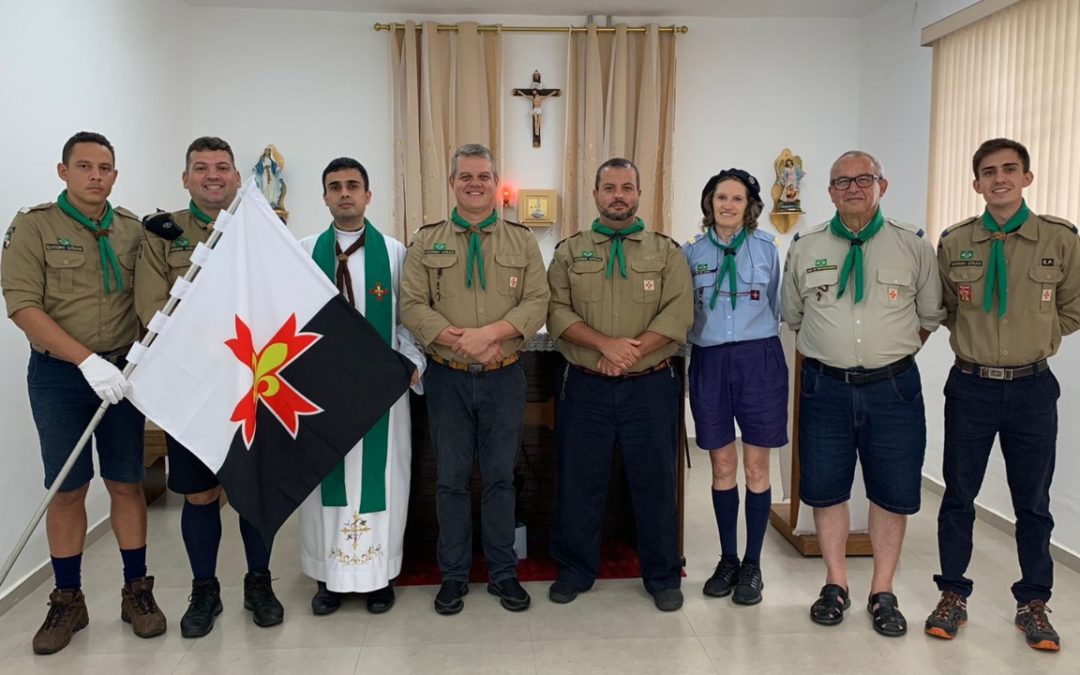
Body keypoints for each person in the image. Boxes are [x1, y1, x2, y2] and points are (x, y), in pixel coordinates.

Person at [1, 131, 167, 654]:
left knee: (127, 482)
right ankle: (68, 599)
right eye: (85, 166)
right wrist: (84, 360)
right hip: (59, 376)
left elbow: (155, 292)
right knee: (67, 488)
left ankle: (136, 591)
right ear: (63, 171)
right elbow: (21, 305)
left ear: (115, 174)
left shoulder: (133, 230)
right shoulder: (35, 226)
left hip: (121, 376)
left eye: (105, 168)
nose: (96, 176)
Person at [780, 150, 943, 637]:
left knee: (892, 491)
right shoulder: (805, 246)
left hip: (893, 388)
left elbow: (929, 317)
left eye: (863, 179)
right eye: (842, 181)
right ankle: (835, 583)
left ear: (881, 186)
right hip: (824, 385)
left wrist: (885, 355)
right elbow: (794, 315)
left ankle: (882, 590)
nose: (853, 188)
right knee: (826, 487)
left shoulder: (913, 244)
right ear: (829, 192)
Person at [926, 138, 1080, 652]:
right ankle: (952, 594)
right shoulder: (955, 242)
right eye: (989, 172)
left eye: (1010, 169)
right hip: (970, 386)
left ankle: (1033, 601)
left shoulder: (1060, 239)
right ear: (976, 184)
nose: (1000, 179)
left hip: (1033, 388)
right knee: (958, 496)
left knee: (1033, 502)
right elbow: (947, 308)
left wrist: (1040, 337)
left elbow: (1073, 306)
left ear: (1026, 178)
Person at [134, 136, 284, 637]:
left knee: (251, 490)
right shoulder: (161, 234)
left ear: (238, 177)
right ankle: (205, 590)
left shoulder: (260, 228)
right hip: (193, 385)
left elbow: (278, 299)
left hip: (251, 384)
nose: (213, 175)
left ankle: (259, 583)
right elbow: (153, 310)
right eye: (201, 168)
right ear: (186, 178)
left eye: (222, 167)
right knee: (199, 496)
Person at [400, 143, 548, 615]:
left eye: (483, 176)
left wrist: (491, 334)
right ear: (452, 183)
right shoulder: (427, 241)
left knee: (501, 479)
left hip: (504, 377)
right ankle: (454, 575)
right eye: (465, 176)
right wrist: (457, 340)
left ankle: (504, 573)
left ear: (495, 183)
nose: (475, 184)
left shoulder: (521, 241)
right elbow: (411, 303)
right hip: (448, 378)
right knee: (450, 480)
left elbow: (537, 301)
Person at [546, 157, 693, 612]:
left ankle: (662, 574)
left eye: (627, 187)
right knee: (579, 481)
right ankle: (574, 569)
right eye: (609, 188)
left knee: (655, 482)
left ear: (639, 194)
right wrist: (605, 346)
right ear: (595, 194)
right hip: (585, 385)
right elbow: (556, 311)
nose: (618, 196)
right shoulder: (570, 251)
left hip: (649, 385)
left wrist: (630, 352)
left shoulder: (666, 252)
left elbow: (678, 312)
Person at [297, 157, 425, 616]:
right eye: (335, 186)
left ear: (369, 195)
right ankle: (327, 578)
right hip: (320, 393)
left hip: (380, 393)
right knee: (322, 481)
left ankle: (379, 577)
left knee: (384, 479)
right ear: (325, 196)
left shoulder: (395, 253)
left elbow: (411, 318)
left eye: (353, 185)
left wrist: (411, 361)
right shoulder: (302, 253)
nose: (345, 193)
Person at [683, 169, 787, 605]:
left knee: (756, 468)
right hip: (710, 362)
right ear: (710, 203)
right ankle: (727, 559)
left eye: (737, 198)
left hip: (758, 360)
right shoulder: (691, 253)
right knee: (722, 466)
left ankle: (753, 564)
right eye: (721, 197)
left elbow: (778, 305)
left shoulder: (766, 250)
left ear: (750, 207)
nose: (728, 205)